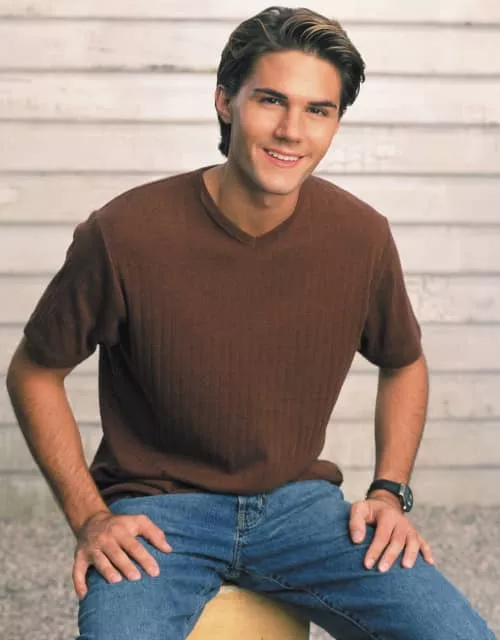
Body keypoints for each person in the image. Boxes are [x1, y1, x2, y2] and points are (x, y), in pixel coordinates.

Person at [5, 6, 496, 639]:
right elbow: (34, 372)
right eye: (271, 100)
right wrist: (90, 517)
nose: (292, 130)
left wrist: (388, 491)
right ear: (225, 101)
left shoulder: (361, 236)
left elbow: (403, 362)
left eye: (318, 110)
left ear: (336, 123)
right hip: (159, 515)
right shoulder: (124, 233)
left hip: (301, 510)